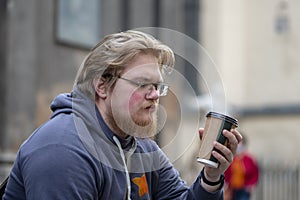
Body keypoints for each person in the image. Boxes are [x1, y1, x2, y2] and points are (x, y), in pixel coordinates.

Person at [3, 30, 242, 199]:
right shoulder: (62, 149)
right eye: (142, 84)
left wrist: (211, 176)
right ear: (102, 86)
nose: (155, 95)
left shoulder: (141, 147)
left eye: (157, 86)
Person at [224, 135, 259, 200]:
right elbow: (226, 172)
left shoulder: (249, 159)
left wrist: (251, 185)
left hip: (244, 189)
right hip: (231, 189)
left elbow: (254, 173)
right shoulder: (231, 158)